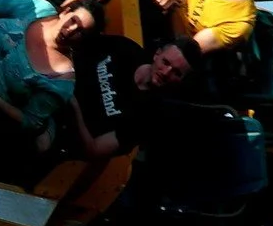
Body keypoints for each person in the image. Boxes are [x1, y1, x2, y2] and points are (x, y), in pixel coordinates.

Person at [0, 0, 101, 153]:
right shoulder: (40, 9)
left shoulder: (62, 80)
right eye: (73, 20)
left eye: (81, 32)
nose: (71, 30)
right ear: (66, 12)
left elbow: (31, 121)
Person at [68, 35, 199, 160]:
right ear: (157, 54)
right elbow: (78, 45)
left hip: (66, 126)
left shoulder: (149, 118)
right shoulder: (127, 49)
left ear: (181, 81)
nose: (166, 72)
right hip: (61, 76)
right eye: (165, 62)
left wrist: (72, 103)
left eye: (176, 73)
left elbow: (93, 149)